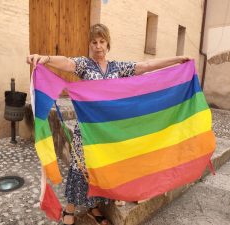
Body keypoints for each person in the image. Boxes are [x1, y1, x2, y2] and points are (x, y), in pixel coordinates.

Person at [27, 23, 191, 225]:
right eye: (94, 42)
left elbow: (145, 67)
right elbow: (67, 63)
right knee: (81, 168)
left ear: (108, 44)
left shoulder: (117, 68)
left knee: (101, 168)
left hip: (109, 131)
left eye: (102, 41)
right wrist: (46, 59)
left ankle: (94, 207)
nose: (98, 46)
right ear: (90, 45)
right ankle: (69, 209)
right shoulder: (85, 65)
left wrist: (177, 60)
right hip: (86, 129)